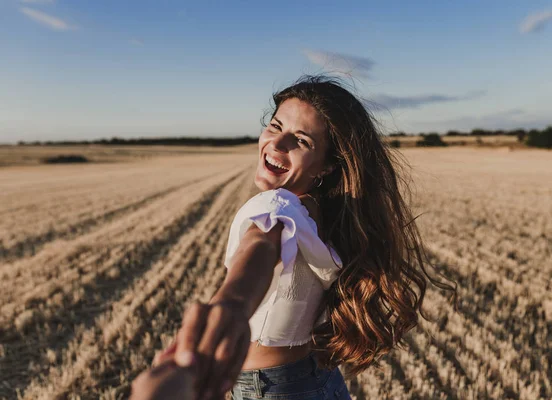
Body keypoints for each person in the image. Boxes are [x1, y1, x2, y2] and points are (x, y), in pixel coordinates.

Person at [130, 74, 456, 400]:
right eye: (275, 126)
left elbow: (260, 244)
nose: (277, 143)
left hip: (274, 390)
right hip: (318, 379)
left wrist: (232, 305)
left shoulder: (277, 205)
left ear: (327, 166)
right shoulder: (324, 210)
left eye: (301, 140)